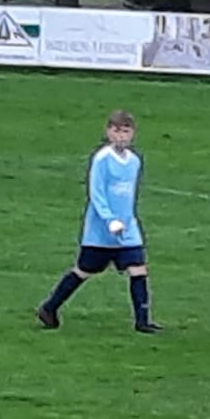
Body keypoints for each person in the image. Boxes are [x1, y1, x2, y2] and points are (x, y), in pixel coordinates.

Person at [37, 109, 159, 334]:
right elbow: (97, 192)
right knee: (84, 271)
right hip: (101, 231)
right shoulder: (102, 159)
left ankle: (143, 321)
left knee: (138, 269)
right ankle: (49, 307)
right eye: (117, 131)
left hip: (127, 229)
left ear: (133, 134)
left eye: (126, 131)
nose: (121, 136)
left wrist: (127, 221)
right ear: (109, 132)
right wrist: (109, 219)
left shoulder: (134, 161)